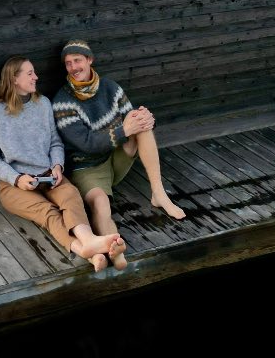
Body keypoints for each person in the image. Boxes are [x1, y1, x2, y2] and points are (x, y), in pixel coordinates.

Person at [0, 55, 126, 272]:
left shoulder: (43, 104)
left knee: (70, 196)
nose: (36, 77)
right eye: (30, 73)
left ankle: (89, 243)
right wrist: (17, 178)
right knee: (48, 212)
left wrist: (58, 166)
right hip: (12, 184)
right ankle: (86, 250)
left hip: (48, 174)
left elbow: (55, 142)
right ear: (14, 79)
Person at [53, 39, 186, 271]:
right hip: (87, 168)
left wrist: (144, 119)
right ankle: (115, 248)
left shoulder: (111, 88)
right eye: (68, 63)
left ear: (90, 60)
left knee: (141, 125)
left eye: (77, 60)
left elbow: (132, 120)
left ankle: (158, 192)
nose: (73, 67)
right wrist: (126, 129)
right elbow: (86, 143)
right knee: (101, 204)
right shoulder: (62, 102)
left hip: (115, 157)